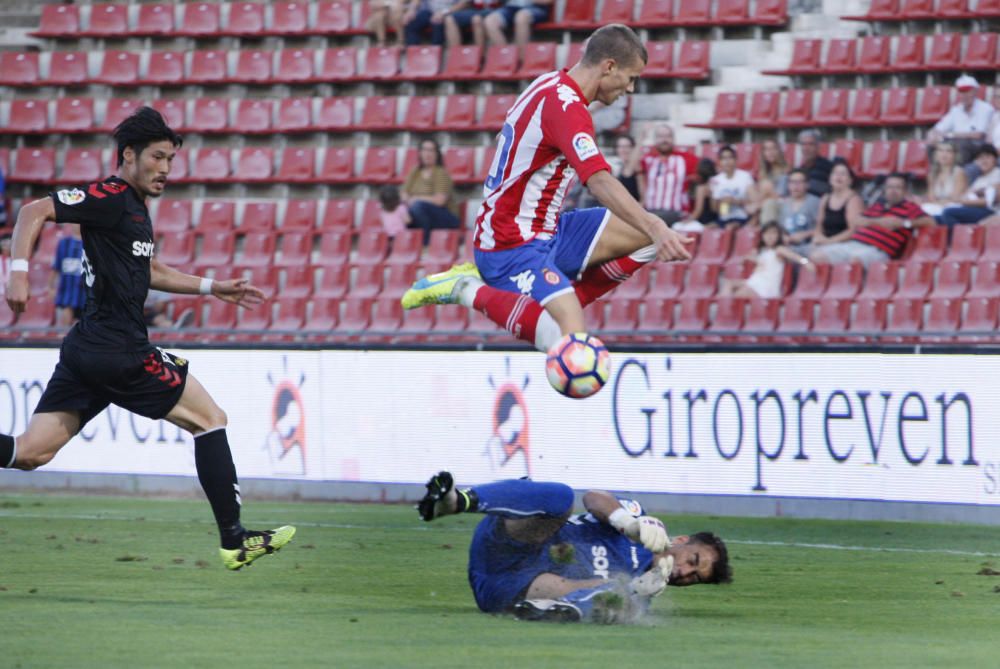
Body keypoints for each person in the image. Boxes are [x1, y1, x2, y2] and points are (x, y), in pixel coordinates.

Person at [1, 107, 295, 570]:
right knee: (210, 419)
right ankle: (235, 540)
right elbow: (32, 210)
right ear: (129, 155)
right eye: (157, 157)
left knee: (30, 452)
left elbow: (151, 270)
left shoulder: (134, 209)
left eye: (171, 161)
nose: (165, 169)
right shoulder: (112, 195)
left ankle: (236, 538)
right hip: (119, 349)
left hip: (88, 349)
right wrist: (17, 274)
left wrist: (211, 287)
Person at [401, 24, 693, 358]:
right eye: (630, 77)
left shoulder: (550, 83)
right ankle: (465, 289)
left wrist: (653, 228)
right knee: (573, 344)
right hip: (510, 244)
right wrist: (656, 224)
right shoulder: (566, 108)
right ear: (609, 66)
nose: (631, 88)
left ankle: (558, 298)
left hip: (549, 230)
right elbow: (597, 179)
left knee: (646, 235)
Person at [417, 471, 731, 623]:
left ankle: (542, 611)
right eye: (693, 560)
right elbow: (593, 498)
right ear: (680, 542)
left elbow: (624, 602)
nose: (685, 572)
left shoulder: (643, 594)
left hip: (507, 591)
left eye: (695, 577)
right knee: (561, 497)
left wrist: (633, 590)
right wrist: (628, 523)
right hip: (509, 544)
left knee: (615, 594)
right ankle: (457, 501)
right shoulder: (640, 520)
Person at [810, 172, 935, 267]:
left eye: (898, 187)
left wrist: (904, 223)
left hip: (879, 250)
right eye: (890, 187)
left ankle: (848, 295)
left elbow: (931, 222)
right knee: (817, 256)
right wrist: (879, 222)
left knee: (855, 260)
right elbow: (857, 220)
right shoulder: (877, 206)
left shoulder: (910, 207)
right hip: (855, 244)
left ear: (905, 191)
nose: (893, 191)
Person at [720, 222, 811, 299]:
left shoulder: (779, 249)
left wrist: (805, 262)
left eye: (773, 233)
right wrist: (749, 258)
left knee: (738, 294)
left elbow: (794, 257)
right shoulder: (762, 251)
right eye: (767, 233)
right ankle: (722, 313)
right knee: (729, 284)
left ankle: (724, 314)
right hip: (755, 282)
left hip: (766, 288)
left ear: (778, 235)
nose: (770, 236)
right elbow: (750, 258)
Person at [927, 75, 994, 171]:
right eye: (962, 92)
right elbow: (938, 128)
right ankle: (938, 175)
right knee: (932, 146)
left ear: (975, 91)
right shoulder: (956, 110)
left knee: (961, 145)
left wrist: (949, 135)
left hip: (978, 146)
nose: (965, 95)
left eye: (967, 91)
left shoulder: (985, 108)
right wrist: (932, 135)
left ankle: (957, 177)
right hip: (957, 143)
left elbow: (978, 135)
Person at [402, 138, 462, 245]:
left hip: (445, 218)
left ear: (437, 154)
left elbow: (440, 201)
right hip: (420, 213)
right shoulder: (415, 171)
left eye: (431, 150)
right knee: (399, 210)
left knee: (418, 206)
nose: (427, 154)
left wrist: (416, 199)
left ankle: (426, 244)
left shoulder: (441, 173)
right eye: (424, 150)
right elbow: (404, 194)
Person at [636, 124, 699, 225]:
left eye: (668, 136)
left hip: (676, 212)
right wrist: (641, 139)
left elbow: (705, 179)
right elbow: (629, 170)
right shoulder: (648, 159)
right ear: (655, 140)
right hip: (651, 211)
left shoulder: (686, 159)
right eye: (660, 136)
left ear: (673, 139)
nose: (664, 140)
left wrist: (695, 213)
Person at [939, 144, 1000, 228]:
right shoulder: (979, 178)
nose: (984, 160)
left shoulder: (997, 174)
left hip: (989, 212)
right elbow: (967, 195)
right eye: (980, 158)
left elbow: (988, 201)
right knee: (936, 218)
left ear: (995, 160)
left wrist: (961, 201)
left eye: (988, 157)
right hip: (972, 209)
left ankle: (959, 240)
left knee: (948, 213)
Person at [811, 159, 862, 250]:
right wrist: (818, 237)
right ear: (830, 179)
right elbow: (819, 225)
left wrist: (829, 242)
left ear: (850, 181)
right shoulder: (825, 198)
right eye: (835, 173)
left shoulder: (853, 199)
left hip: (845, 244)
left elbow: (853, 231)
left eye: (843, 174)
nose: (838, 176)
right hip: (825, 242)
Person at [483, 0, 554, 61]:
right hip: (510, 8)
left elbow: (548, 1)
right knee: (489, 21)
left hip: (536, 7)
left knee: (521, 17)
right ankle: (507, 58)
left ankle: (521, 61)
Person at [710, 145, 758, 228]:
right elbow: (714, 209)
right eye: (723, 158)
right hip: (723, 217)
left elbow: (754, 202)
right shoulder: (716, 180)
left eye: (730, 158)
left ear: (735, 160)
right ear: (719, 161)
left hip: (742, 217)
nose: (727, 161)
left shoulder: (745, 177)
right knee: (706, 229)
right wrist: (721, 202)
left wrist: (735, 201)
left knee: (730, 227)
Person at [774, 168, 820, 255]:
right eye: (792, 182)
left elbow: (822, 229)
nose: (796, 186)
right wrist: (784, 237)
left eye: (799, 182)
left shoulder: (814, 202)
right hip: (788, 248)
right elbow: (781, 228)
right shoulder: (784, 204)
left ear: (807, 184)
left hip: (809, 246)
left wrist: (805, 234)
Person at [49, 224, 87, 327]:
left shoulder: (90, 242)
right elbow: (56, 266)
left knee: (86, 315)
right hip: (67, 286)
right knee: (66, 309)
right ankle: (64, 337)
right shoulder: (64, 243)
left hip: (85, 288)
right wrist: (51, 287)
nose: (77, 225)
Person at [922, 142, 968, 217]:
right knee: (922, 209)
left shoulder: (959, 172)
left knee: (929, 209)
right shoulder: (932, 174)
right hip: (937, 205)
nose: (944, 154)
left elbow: (955, 198)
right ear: (936, 154)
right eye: (940, 150)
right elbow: (931, 197)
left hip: (954, 206)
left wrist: (938, 203)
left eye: (948, 151)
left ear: (955, 155)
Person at [677, 157, 718, 231]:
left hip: (703, 223)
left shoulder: (701, 188)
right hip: (713, 220)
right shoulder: (715, 185)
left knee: (677, 226)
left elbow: (698, 211)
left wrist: (687, 221)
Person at [797, 129, 833, 197]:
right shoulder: (799, 169)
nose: (806, 148)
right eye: (803, 144)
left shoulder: (828, 167)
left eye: (810, 144)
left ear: (818, 146)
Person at [0, 233, 11, 300]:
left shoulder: (17, 261)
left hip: (12, 296)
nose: (6, 246)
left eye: (8, 243)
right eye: (4, 243)